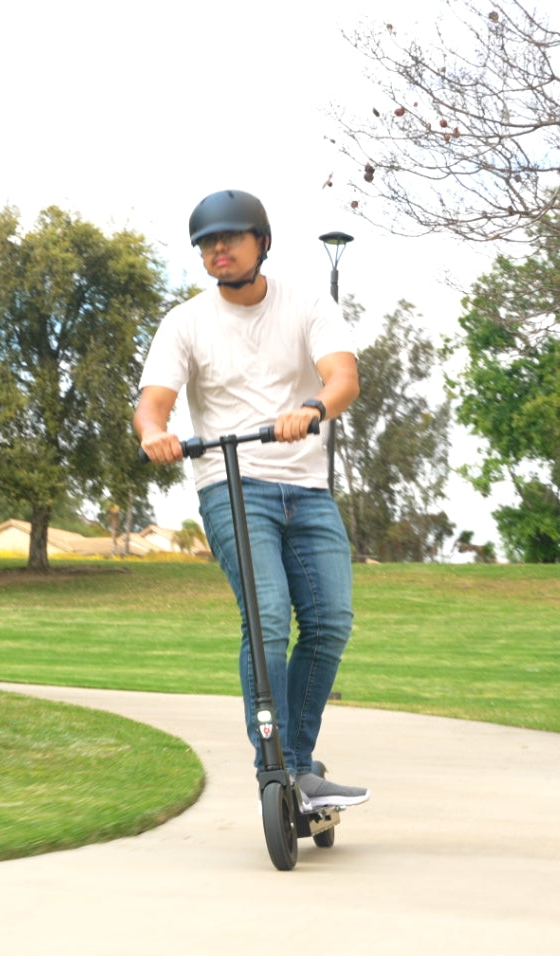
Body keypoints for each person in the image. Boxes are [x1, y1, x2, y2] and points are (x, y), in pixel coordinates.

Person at [134, 189, 369, 810]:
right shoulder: (184, 322)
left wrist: (313, 407)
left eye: (231, 238)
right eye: (208, 242)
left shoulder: (307, 304)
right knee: (266, 618)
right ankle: (279, 767)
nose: (219, 249)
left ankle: (299, 763)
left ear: (261, 243)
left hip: (307, 488)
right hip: (232, 486)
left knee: (328, 623)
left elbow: (342, 375)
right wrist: (155, 433)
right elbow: (153, 401)